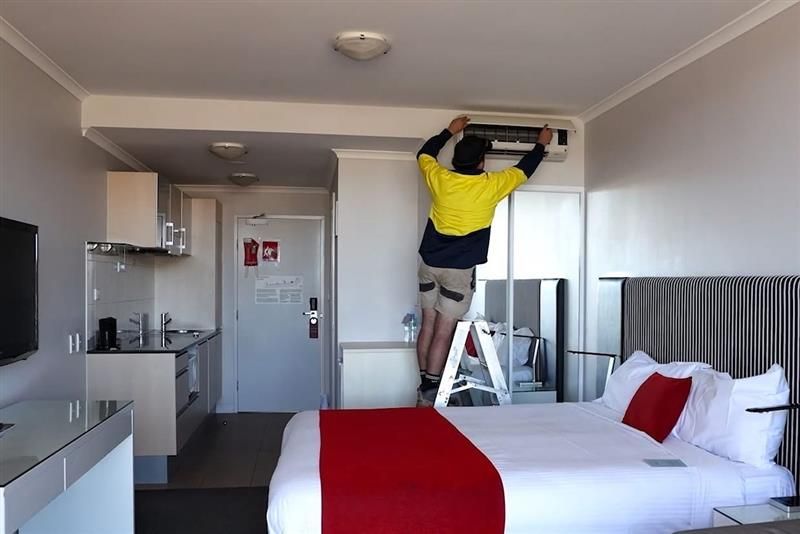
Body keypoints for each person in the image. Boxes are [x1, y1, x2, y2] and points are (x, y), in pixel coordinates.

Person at [415, 115, 552, 406]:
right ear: (482, 162)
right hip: (458, 271)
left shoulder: (440, 178)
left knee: (427, 322)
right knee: (443, 328)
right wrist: (541, 144)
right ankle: (432, 390)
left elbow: (424, 154)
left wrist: (449, 131)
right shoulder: (491, 185)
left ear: (455, 159)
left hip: (429, 264)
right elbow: (525, 169)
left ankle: (424, 380)